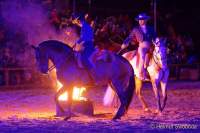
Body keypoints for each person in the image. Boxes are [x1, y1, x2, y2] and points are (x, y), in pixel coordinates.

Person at [121, 13, 157, 80]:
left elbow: (155, 37)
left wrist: (156, 44)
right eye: (139, 20)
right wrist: (124, 43)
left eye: (142, 20)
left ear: (146, 20)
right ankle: (141, 73)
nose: (140, 21)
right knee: (142, 56)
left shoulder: (151, 28)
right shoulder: (136, 29)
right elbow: (130, 37)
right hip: (142, 46)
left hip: (151, 45)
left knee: (160, 54)